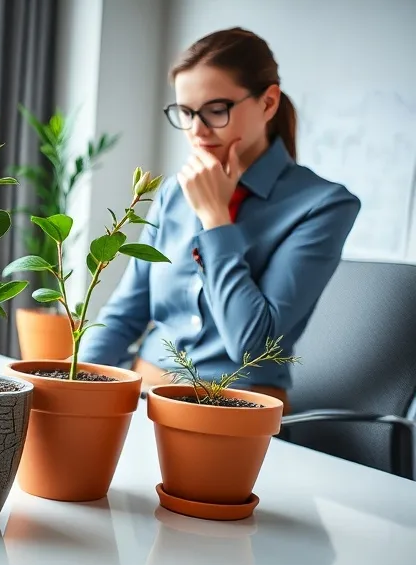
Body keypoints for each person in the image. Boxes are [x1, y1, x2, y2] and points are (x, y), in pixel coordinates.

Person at [77, 27, 361, 413]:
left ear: (268, 102)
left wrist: (215, 219)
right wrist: (74, 386)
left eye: (215, 110)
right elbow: (125, 313)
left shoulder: (323, 206)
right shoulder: (175, 192)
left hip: (235, 414)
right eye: (186, 113)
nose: (196, 130)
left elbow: (254, 348)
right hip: (144, 398)